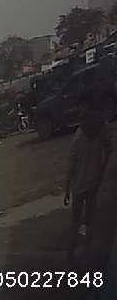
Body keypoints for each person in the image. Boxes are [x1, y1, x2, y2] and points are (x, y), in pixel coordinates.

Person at [65, 104, 111, 264]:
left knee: (75, 221)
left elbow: (71, 166)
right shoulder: (101, 130)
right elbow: (109, 148)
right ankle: (86, 250)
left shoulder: (78, 137)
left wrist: (66, 190)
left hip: (78, 186)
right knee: (88, 221)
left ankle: (71, 253)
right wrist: (102, 168)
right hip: (93, 183)